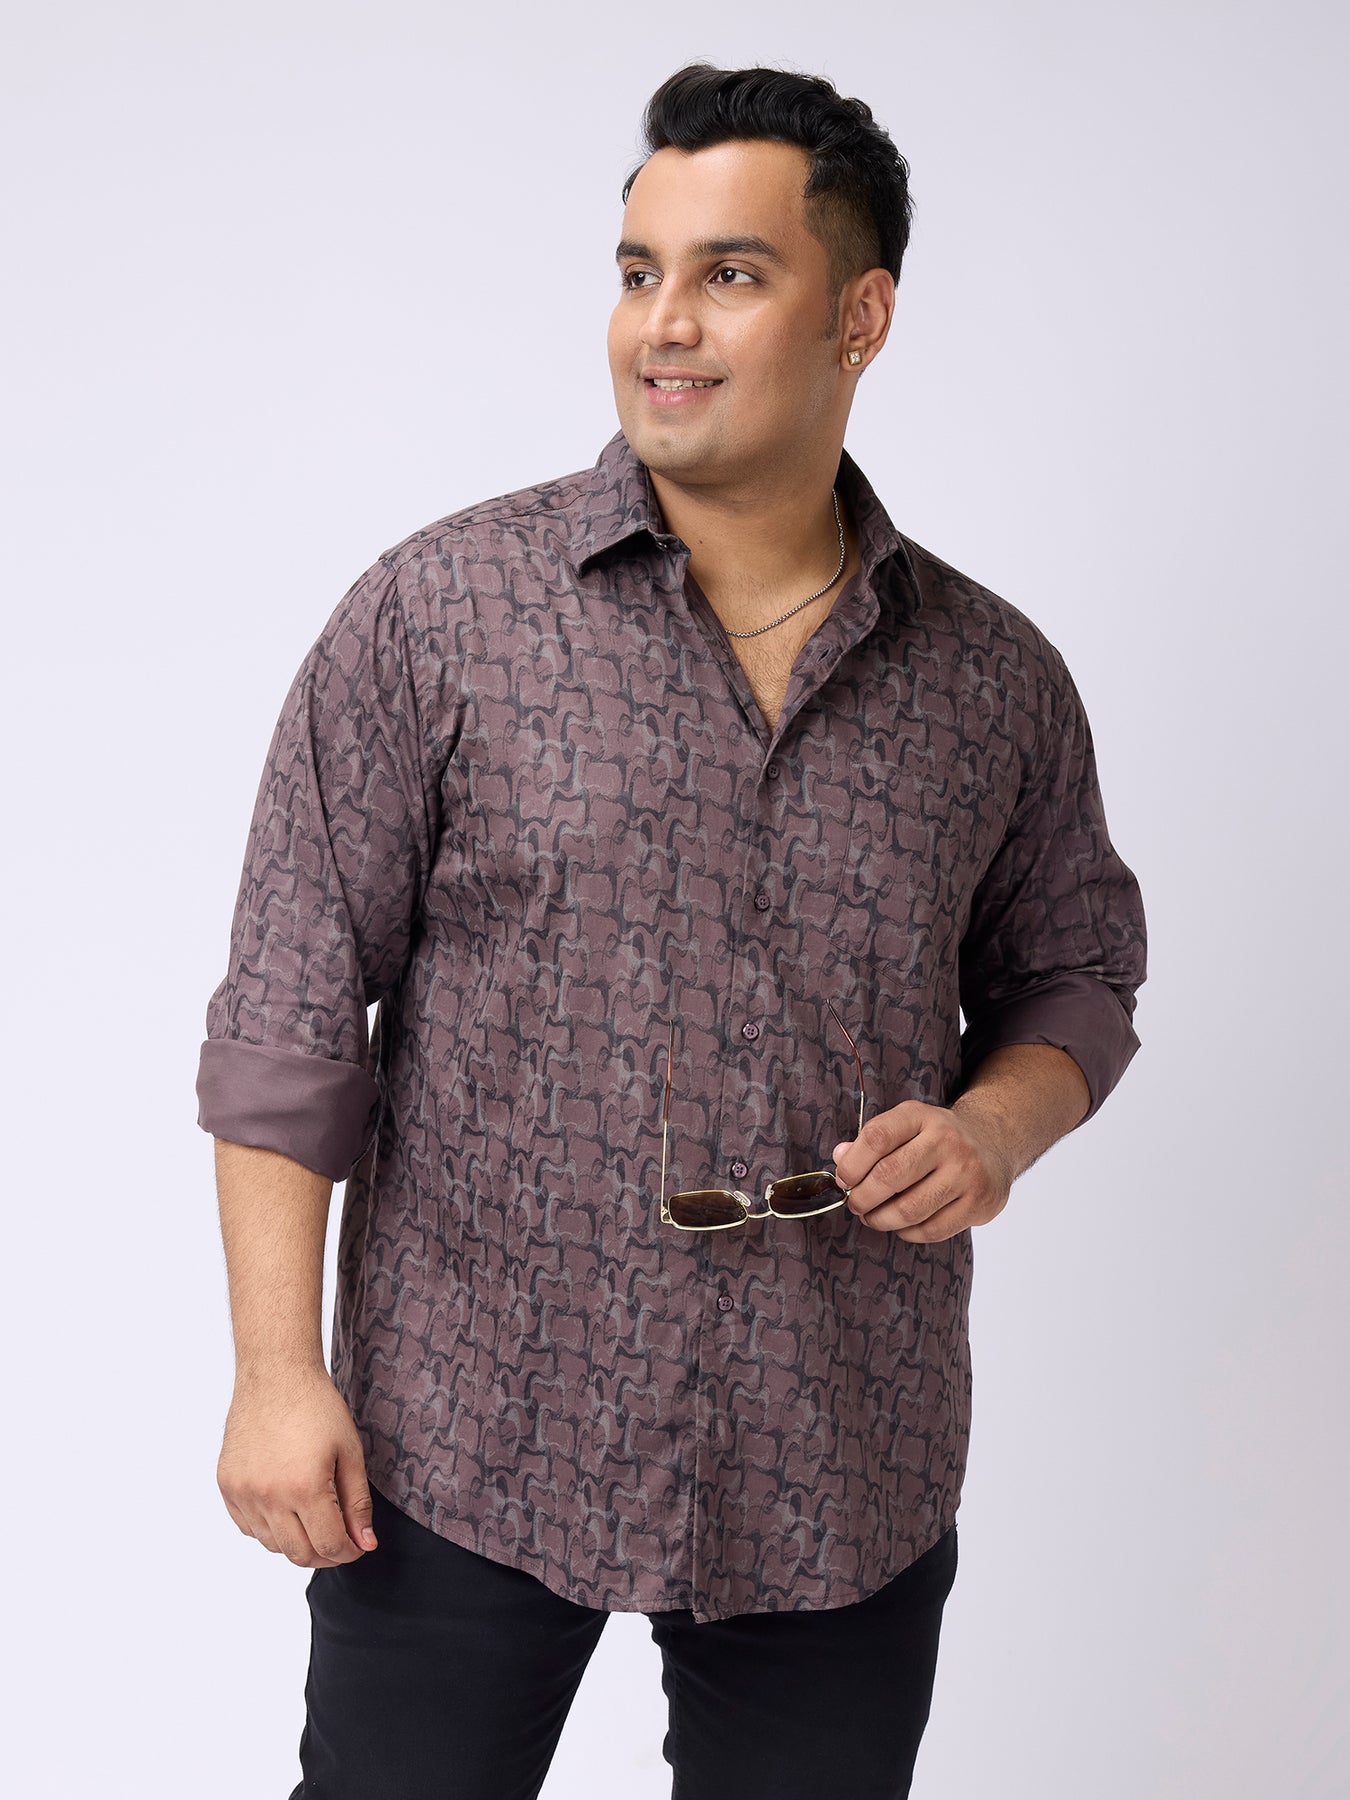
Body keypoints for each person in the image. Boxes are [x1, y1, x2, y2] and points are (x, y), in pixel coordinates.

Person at [198, 60, 1147, 1800]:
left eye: (730, 273)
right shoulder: (441, 615)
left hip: (838, 1443)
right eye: (639, 271)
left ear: (859, 315)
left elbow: (1073, 973)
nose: (663, 326)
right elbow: (288, 1014)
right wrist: (275, 1372)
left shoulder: (992, 680)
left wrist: (995, 1129)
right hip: (468, 1426)